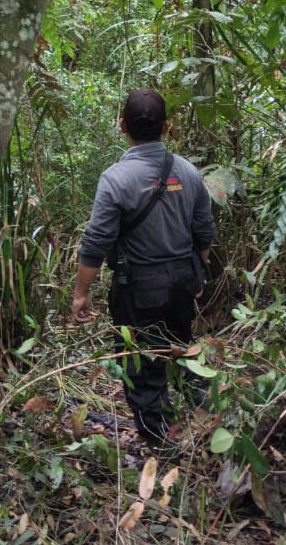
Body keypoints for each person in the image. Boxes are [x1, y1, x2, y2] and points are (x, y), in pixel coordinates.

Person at [71, 88, 216, 449]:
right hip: (183, 281)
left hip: (139, 287)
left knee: (141, 363)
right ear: (167, 127)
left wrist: (81, 293)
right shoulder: (189, 172)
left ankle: (160, 445)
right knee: (180, 349)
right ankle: (205, 428)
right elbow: (204, 232)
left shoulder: (116, 179)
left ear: (122, 126)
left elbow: (95, 243)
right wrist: (198, 274)